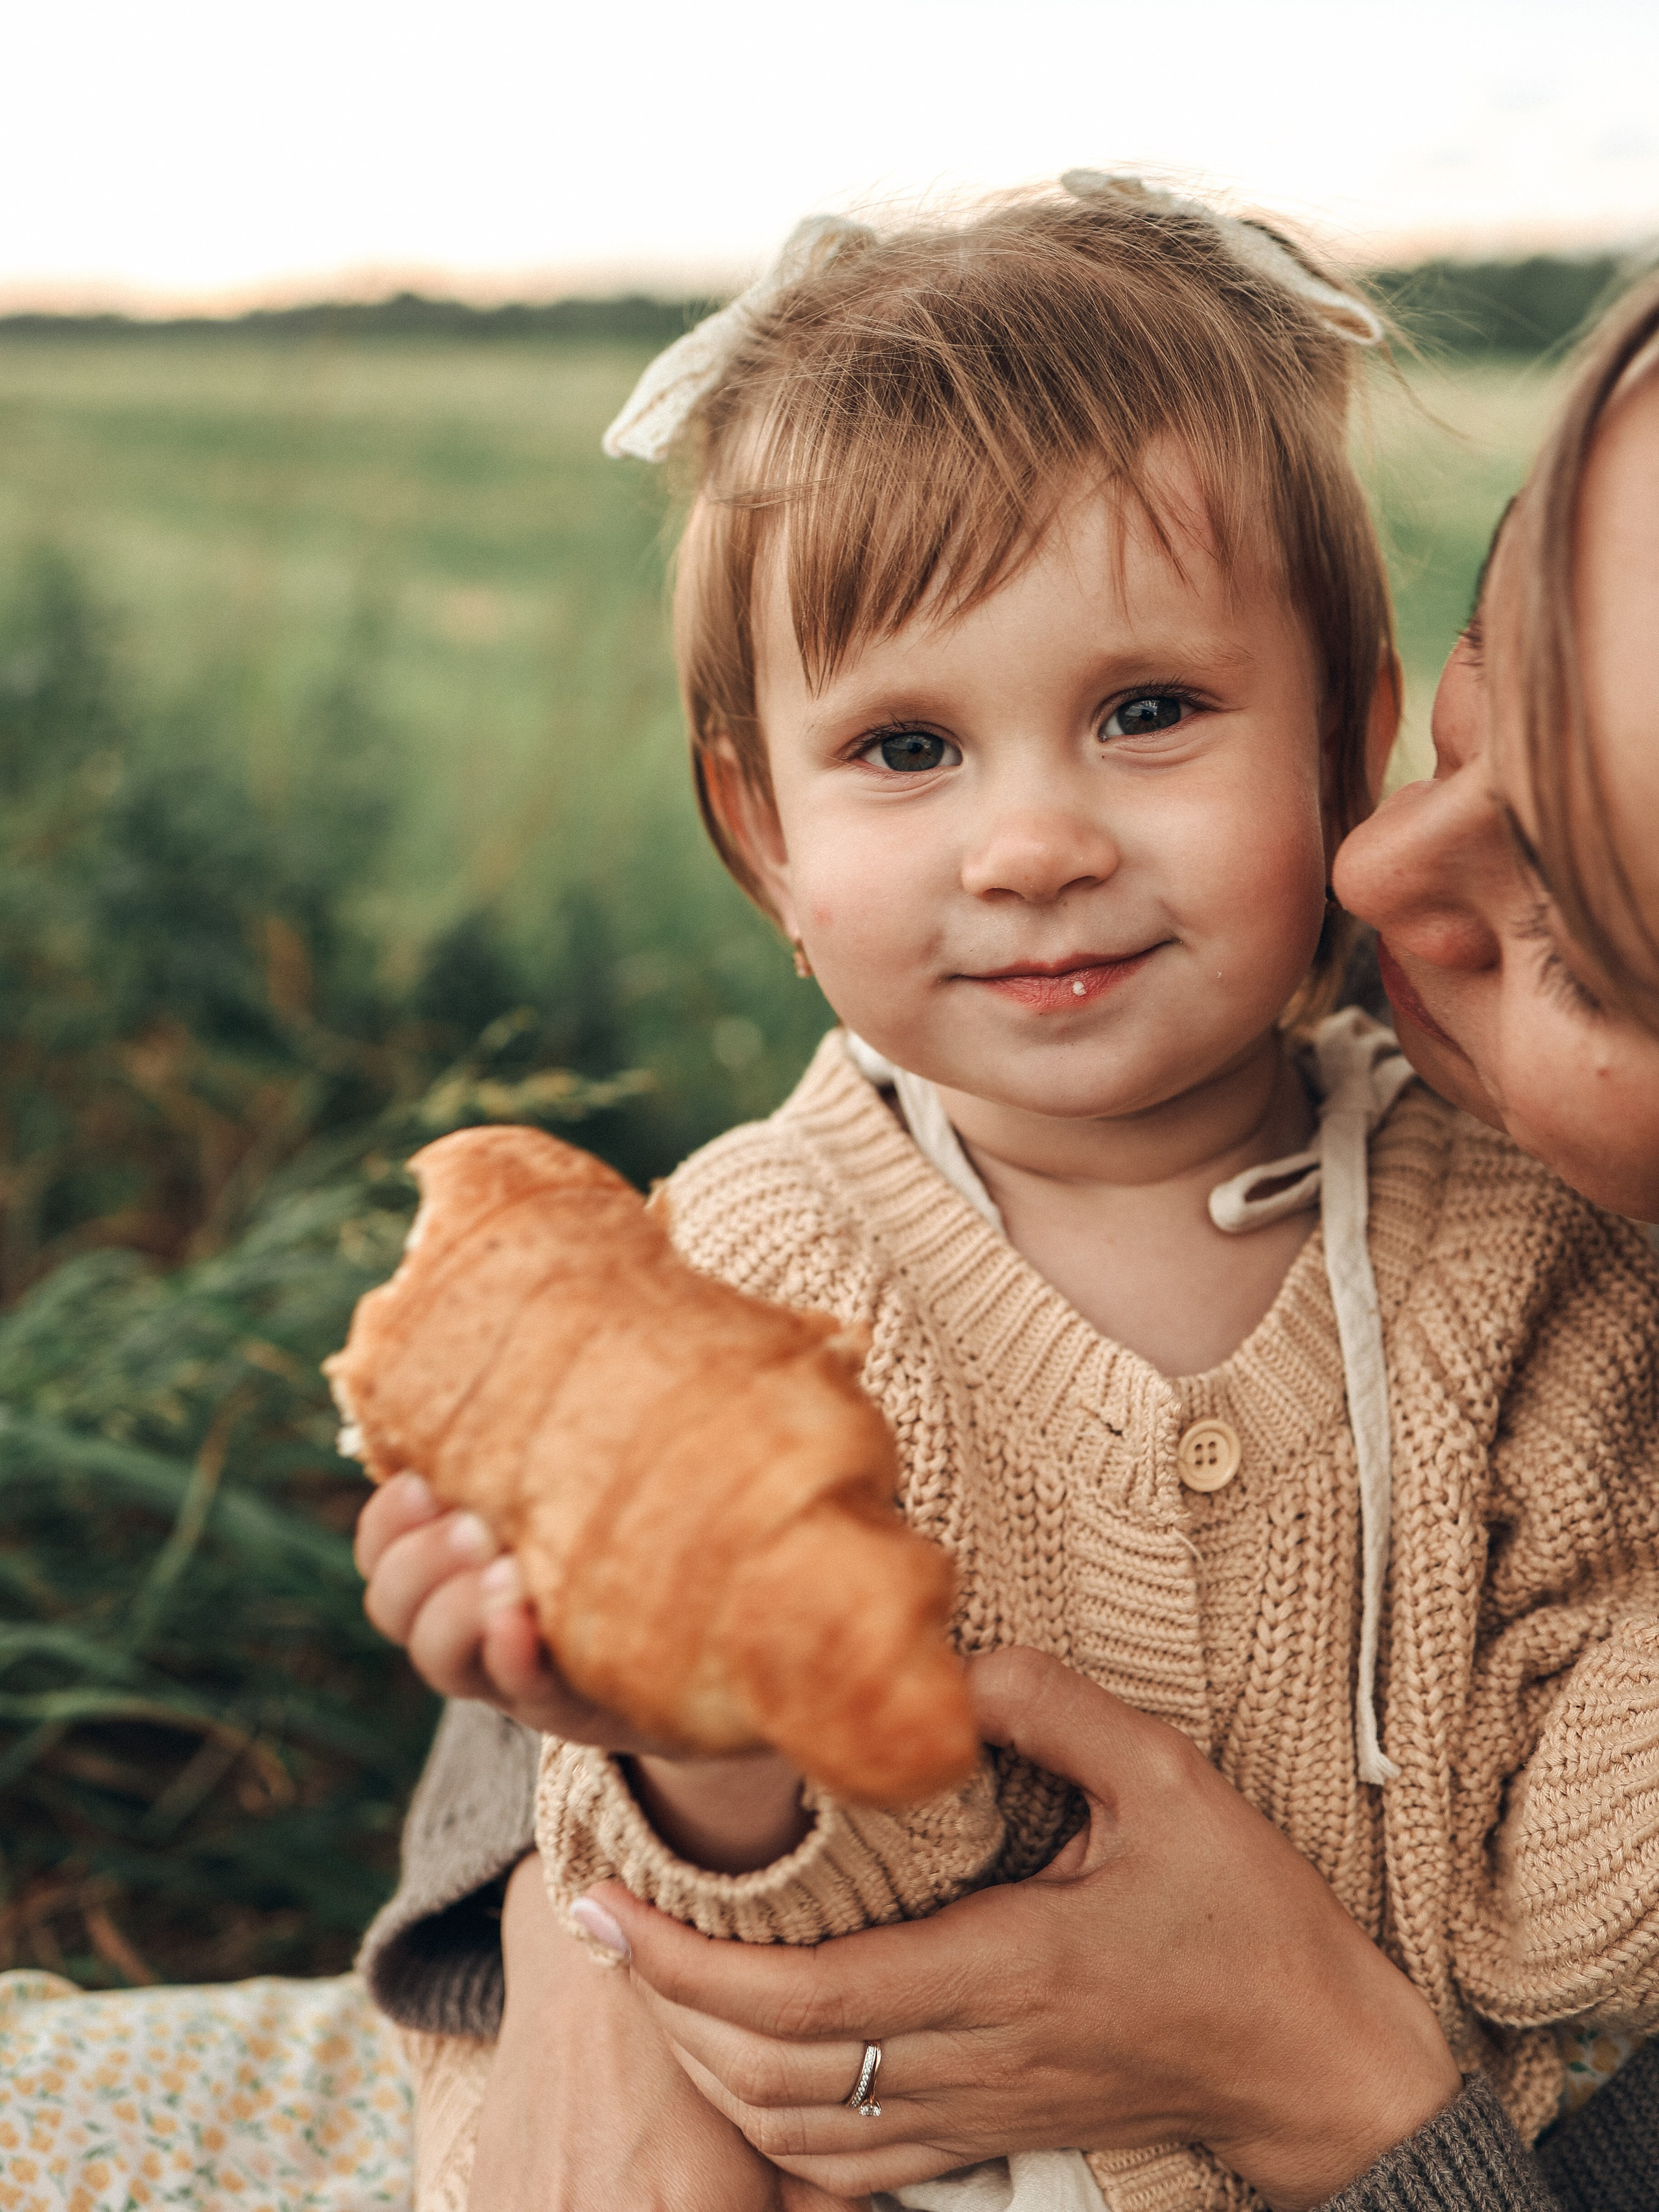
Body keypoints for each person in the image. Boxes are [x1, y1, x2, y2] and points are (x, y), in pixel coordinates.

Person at [353, 190, 1659, 2212]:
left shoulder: (1522, 1259)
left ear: (1344, 724)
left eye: (1148, 713)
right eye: (905, 748)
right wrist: (691, 1742)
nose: (1035, 841)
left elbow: (1548, 1934)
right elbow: (746, 1990)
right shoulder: (748, 1282)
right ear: (761, 834)